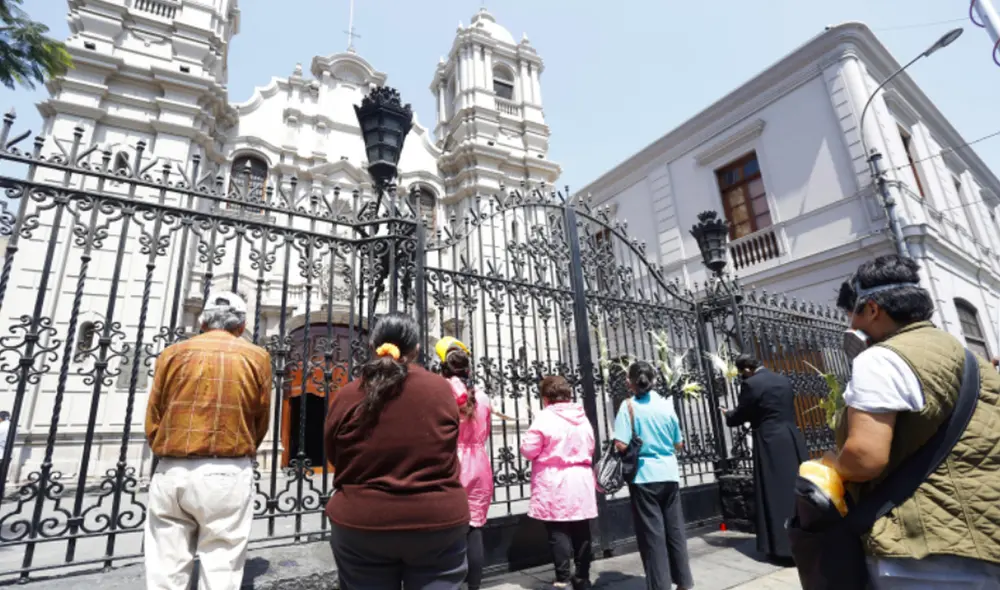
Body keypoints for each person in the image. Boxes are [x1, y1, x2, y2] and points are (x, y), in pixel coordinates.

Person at [828, 254, 1000, 588]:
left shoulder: (881, 358)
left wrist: (832, 464)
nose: (850, 326)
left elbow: (865, 457)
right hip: (985, 534)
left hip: (924, 552)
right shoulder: (966, 356)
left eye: (851, 315)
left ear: (872, 309)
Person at [324, 313, 469, 590]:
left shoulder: (348, 394)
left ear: (373, 347)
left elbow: (333, 453)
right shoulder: (440, 389)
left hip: (362, 524)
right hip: (436, 522)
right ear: (416, 349)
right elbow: (448, 443)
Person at [144, 291, 273, 590]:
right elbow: (261, 416)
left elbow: (154, 413)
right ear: (241, 326)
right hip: (227, 469)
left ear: (202, 322)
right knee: (221, 565)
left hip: (172, 467)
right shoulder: (256, 356)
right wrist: (242, 446)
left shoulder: (172, 353)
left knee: (165, 565)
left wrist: (168, 447)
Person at [614, 360, 694, 590]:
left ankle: (660, 585)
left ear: (629, 383)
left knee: (652, 534)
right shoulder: (667, 405)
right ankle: (683, 581)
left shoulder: (628, 407)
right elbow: (678, 443)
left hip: (643, 475)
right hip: (669, 473)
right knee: (675, 529)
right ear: (655, 380)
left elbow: (621, 443)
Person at [722, 354, 807, 563]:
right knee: (796, 489)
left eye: (742, 373)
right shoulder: (783, 380)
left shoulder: (751, 384)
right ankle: (804, 542)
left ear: (746, 369)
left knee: (775, 491)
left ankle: (782, 547)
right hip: (791, 436)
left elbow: (742, 413)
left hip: (770, 440)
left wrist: (728, 415)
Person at [520, 375, 597, 590]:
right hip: (580, 478)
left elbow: (528, 449)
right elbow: (591, 445)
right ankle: (582, 576)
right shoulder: (581, 416)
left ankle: (563, 579)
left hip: (554, 480)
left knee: (558, 529)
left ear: (546, 398)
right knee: (581, 528)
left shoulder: (545, 417)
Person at [438, 337, 493, 590]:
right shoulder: (483, 398)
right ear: (468, 370)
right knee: (474, 528)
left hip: (453, 462)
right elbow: (486, 431)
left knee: (448, 527)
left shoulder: (443, 395)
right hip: (479, 463)